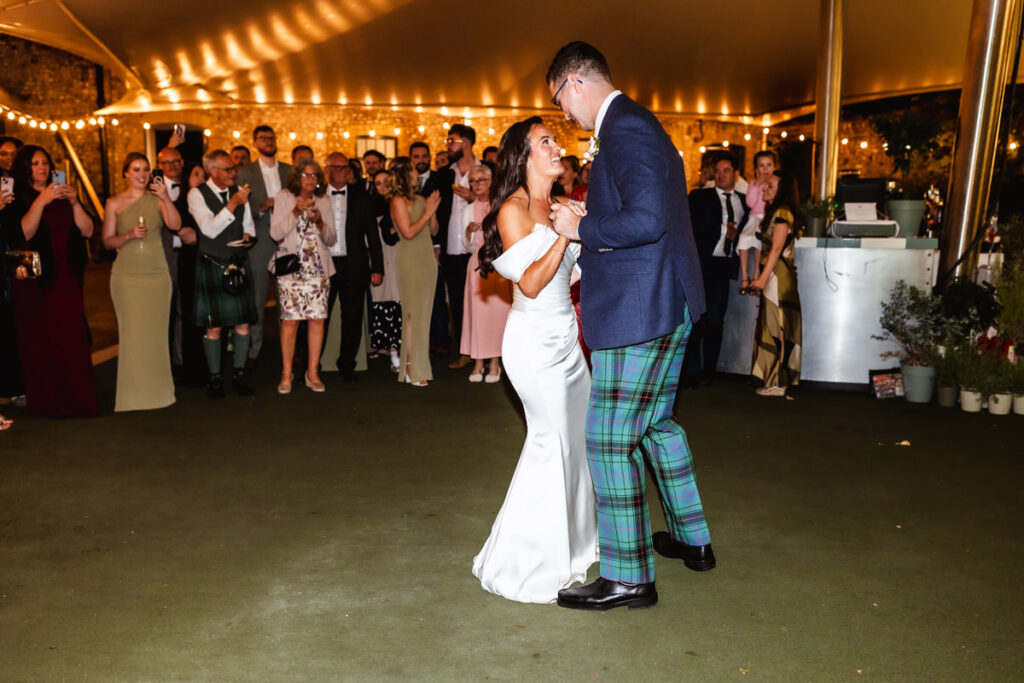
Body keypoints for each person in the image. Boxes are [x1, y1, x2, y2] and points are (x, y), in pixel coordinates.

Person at [547, 42, 713, 611]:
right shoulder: (634, 125)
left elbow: (644, 220)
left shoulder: (626, 129)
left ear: (573, 82)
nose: (564, 115)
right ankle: (694, 541)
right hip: (664, 298)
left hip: (641, 306)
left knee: (609, 439)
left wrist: (580, 225)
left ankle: (629, 578)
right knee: (658, 425)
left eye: (559, 101)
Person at [472, 117, 596, 603]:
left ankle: (578, 544)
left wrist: (584, 228)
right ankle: (529, 560)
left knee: (576, 441)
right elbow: (527, 283)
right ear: (524, 156)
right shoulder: (514, 208)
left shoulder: (561, 204)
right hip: (532, 342)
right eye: (546, 141)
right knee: (549, 441)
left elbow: (575, 276)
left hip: (568, 339)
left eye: (555, 139)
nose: (556, 145)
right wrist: (566, 235)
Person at [3, 145, 97, 417]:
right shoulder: (15, 198)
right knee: (42, 340)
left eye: (45, 162)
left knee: (71, 337)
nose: (41, 168)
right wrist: (41, 201)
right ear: (25, 167)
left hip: (67, 275)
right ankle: (49, 401)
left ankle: (78, 398)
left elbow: (88, 231)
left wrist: (75, 202)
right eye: (35, 163)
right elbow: (23, 233)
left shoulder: (62, 193)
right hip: (35, 280)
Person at [101, 152, 181, 411]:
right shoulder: (114, 203)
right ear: (126, 173)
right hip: (126, 276)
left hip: (157, 275)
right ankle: (132, 395)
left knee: (156, 335)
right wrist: (128, 236)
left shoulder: (156, 200)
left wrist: (166, 198)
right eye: (136, 169)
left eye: (145, 169)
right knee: (132, 334)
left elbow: (175, 224)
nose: (142, 174)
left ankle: (158, 392)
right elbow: (107, 241)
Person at [187, 149, 259, 398]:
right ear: (213, 171)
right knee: (214, 327)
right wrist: (232, 204)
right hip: (212, 262)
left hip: (238, 261)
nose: (233, 172)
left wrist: (248, 235)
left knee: (242, 322)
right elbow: (208, 230)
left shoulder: (239, 191)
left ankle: (239, 375)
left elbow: (247, 223)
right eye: (228, 169)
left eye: (233, 169)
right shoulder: (196, 195)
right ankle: (215, 378)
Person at [270, 160, 336, 393]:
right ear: (296, 177)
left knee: (317, 320)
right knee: (290, 321)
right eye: (306, 174)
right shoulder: (283, 198)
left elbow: (331, 238)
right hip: (291, 270)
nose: (311, 179)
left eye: (315, 175)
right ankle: (286, 374)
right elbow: (275, 233)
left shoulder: (325, 200)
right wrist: (296, 212)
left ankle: (313, 373)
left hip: (318, 270)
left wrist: (319, 222)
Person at [684, 153, 747, 387]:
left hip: (722, 267)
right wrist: (724, 230)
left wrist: (736, 235)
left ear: (736, 174)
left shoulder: (744, 201)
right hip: (700, 265)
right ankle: (690, 372)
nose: (720, 175)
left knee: (715, 321)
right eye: (717, 171)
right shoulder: (700, 196)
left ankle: (708, 372)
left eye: (726, 170)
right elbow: (693, 225)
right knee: (695, 321)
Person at [322, 152, 383, 381]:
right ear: (327, 169)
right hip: (323, 264)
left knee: (353, 317)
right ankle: (311, 365)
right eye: (336, 167)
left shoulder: (361, 196)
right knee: (320, 317)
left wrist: (377, 267)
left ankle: (347, 365)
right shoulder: (317, 196)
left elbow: (372, 235)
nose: (342, 171)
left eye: (345, 167)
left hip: (353, 264)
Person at [236, 125, 291, 370]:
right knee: (257, 299)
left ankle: (286, 352)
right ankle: (254, 351)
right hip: (259, 242)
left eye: (272, 137)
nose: (269, 141)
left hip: (286, 242)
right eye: (263, 138)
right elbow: (239, 209)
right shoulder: (245, 172)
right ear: (255, 142)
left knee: (286, 301)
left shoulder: (289, 171)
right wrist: (262, 207)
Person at [385, 159, 440, 387]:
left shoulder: (419, 199)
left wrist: (432, 213)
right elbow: (407, 232)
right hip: (410, 261)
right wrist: (427, 213)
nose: (418, 175)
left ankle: (416, 365)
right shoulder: (396, 201)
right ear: (405, 174)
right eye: (415, 172)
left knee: (424, 313)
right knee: (412, 314)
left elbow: (434, 230)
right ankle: (411, 368)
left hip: (427, 259)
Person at [748, 171, 802, 397]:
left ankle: (777, 383)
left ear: (783, 190)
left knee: (777, 327)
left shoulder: (782, 213)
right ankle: (775, 381)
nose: (765, 188)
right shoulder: (777, 213)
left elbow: (777, 249)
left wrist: (761, 278)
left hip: (778, 277)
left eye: (771, 185)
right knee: (774, 326)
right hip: (775, 275)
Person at [458, 164, 511, 382]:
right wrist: (468, 233)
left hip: (497, 263)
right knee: (476, 315)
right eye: (472, 181)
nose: (476, 185)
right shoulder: (467, 209)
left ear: (491, 181)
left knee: (498, 315)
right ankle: (478, 361)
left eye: (480, 180)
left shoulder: (501, 206)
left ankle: (495, 363)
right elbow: (464, 246)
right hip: (475, 264)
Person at [441, 124, 478, 369]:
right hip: (452, 247)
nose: (447, 144)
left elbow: (498, 202)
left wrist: (474, 198)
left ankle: (484, 352)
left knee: (481, 301)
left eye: (451, 140)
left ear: (465, 143)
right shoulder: (445, 173)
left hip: (477, 246)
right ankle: (464, 352)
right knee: (456, 301)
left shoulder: (485, 170)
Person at [0, 136, 25, 409]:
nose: (8, 158)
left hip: (19, 256)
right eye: (3, 153)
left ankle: (19, 385)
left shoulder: (26, 186)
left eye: (13, 154)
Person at [369, 170, 402, 372]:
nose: (381, 187)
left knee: (401, 307)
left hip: (400, 260)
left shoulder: (400, 205)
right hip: (381, 261)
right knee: (386, 308)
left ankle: (404, 353)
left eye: (385, 182)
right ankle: (392, 353)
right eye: (377, 183)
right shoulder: (371, 207)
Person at [737, 150, 778, 293]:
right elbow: (750, 203)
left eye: (768, 165)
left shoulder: (776, 185)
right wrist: (757, 185)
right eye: (761, 166)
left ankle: (756, 274)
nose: (765, 169)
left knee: (759, 241)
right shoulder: (753, 183)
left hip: (766, 219)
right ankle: (744, 276)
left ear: (774, 168)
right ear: (756, 170)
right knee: (743, 239)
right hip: (754, 218)